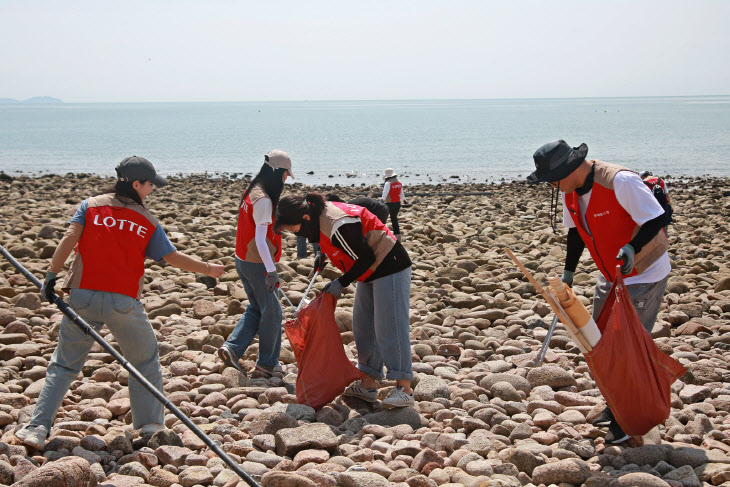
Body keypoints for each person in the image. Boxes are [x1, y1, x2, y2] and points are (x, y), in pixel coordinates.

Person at [14, 156, 225, 449]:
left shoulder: (90, 206)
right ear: (136, 184)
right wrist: (208, 268)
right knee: (144, 361)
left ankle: (36, 428)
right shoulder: (147, 220)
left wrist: (50, 276)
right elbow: (172, 258)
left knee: (63, 365)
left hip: (82, 297)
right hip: (124, 301)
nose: (152, 189)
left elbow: (69, 238)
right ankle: (150, 426)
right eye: (150, 184)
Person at [527, 140, 671, 444]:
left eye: (554, 178)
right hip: (612, 274)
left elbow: (657, 216)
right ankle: (616, 403)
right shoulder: (570, 191)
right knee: (601, 341)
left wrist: (634, 245)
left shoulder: (620, 181)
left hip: (644, 271)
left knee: (627, 346)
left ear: (572, 168)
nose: (552, 185)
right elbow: (575, 233)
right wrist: (569, 273)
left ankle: (630, 417)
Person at [275, 193, 415, 408]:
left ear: (304, 218)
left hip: (390, 266)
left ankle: (404, 388)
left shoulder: (337, 224)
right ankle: (368, 385)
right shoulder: (316, 213)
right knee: (363, 327)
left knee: (390, 326)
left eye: (293, 229)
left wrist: (341, 282)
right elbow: (339, 243)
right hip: (368, 272)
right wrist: (324, 253)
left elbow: (365, 256)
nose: (294, 234)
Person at [218, 150, 293, 377]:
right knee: (273, 313)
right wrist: (271, 271)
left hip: (242, 259)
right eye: (286, 175)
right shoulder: (264, 200)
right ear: (278, 173)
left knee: (256, 308)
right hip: (256, 264)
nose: (286, 179)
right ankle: (267, 364)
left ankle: (232, 348)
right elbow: (260, 240)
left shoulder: (253, 190)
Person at [380, 168, 408, 241]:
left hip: (389, 203)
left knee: (384, 219)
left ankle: (383, 234)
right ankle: (397, 236)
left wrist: (382, 200)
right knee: (394, 219)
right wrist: (404, 200)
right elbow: (401, 193)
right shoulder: (399, 183)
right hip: (397, 203)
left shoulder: (388, 183)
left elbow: (385, 193)